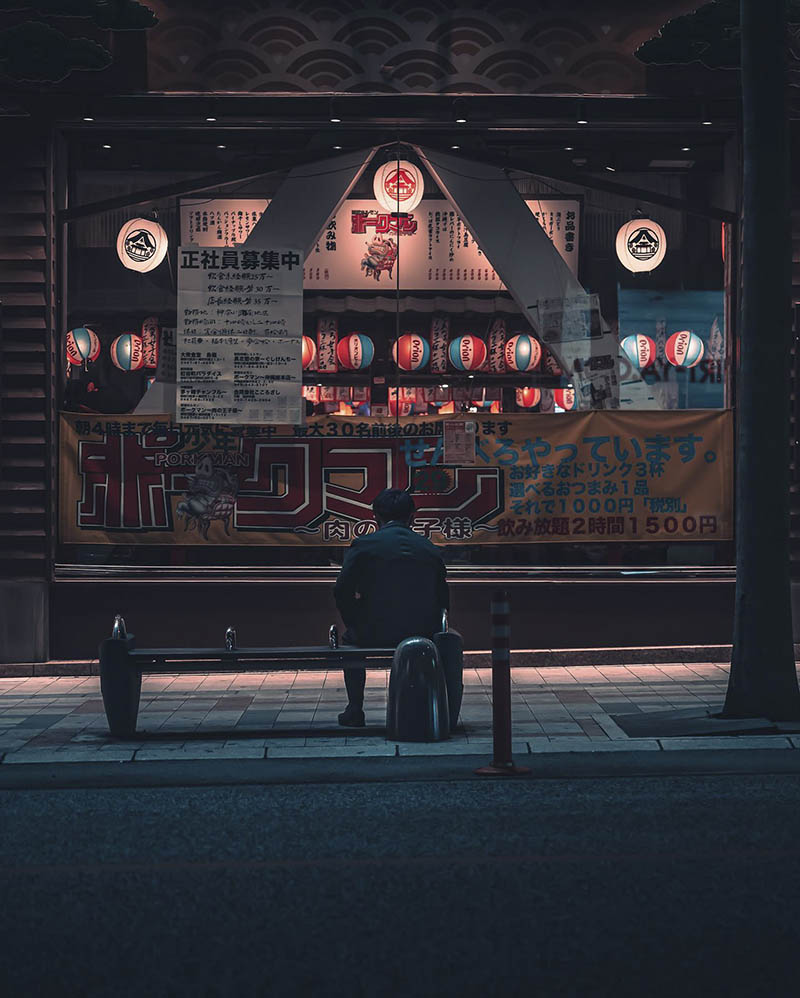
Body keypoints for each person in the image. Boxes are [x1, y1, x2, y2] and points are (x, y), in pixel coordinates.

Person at [333, 488, 449, 727]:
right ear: (412, 517)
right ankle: (423, 707)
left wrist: (355, 619)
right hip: (421, 632)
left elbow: (342, 589)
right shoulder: (429, 548)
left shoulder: (364, 545)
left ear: (376, 516)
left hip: (371, 630)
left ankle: (355, 708)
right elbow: (443, 598)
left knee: (350, 642)